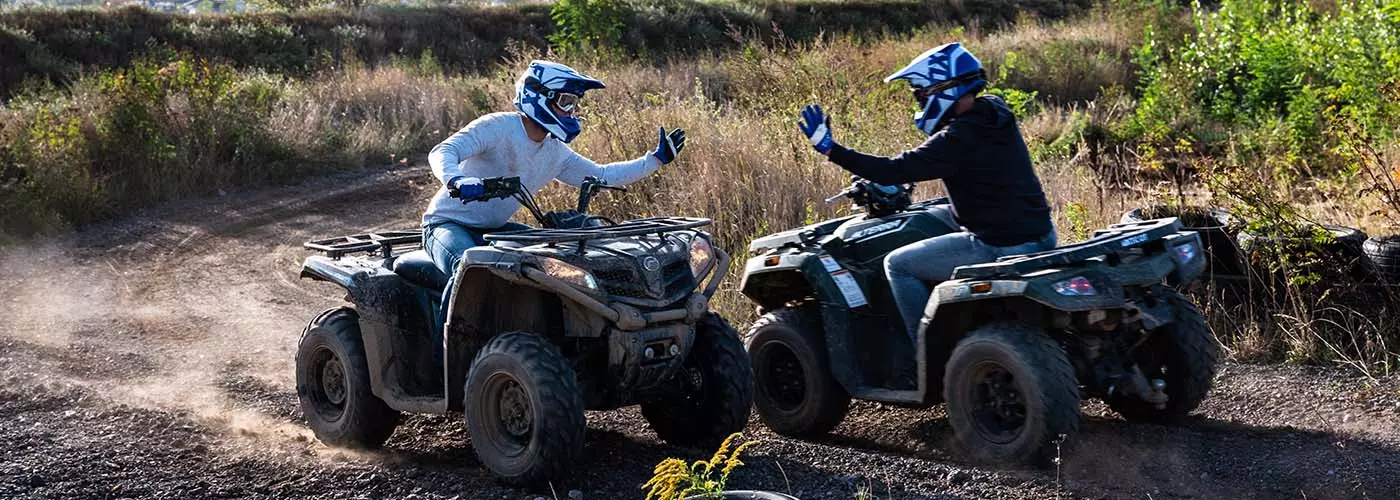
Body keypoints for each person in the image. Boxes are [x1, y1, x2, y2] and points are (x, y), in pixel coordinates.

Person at [796, 42, 1056, 344]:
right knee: (941, 213)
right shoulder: (995, 112)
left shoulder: (956, 138)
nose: (920, 101)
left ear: (944, 90)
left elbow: (894, 169)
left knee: (898, 264)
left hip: (1000, 245)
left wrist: (831, 149)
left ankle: (927, 349)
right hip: (1041, 233)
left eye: (921, 94)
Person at [421, 59, 687, 318]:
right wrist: (455, 180)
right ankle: (445, 353)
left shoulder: (555, 152)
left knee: (551, 261)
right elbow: (444, 150)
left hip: (495, 229)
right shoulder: (498, 127)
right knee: (468, 268)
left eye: (574, 104)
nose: (571, 112)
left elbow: (602, 175)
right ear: (539, 97)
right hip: (447, 224)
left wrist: (655, 160)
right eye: (565, 102)